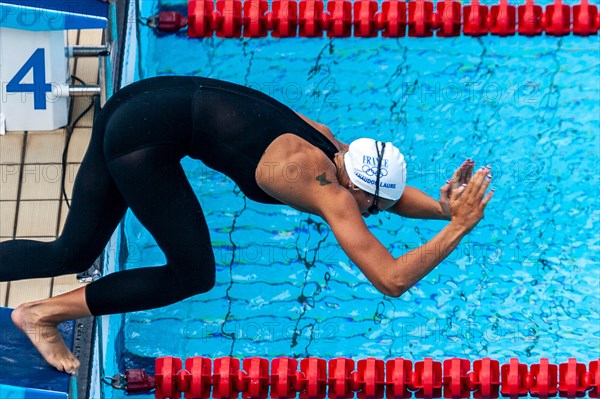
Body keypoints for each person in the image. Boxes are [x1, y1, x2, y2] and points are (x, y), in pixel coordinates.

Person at [0, 76, 493, 373]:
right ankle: (43, 314)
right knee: (193, 274)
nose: (372, 214)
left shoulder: (334, 148)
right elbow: (391, 279)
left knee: (72, 252)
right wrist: (458, 229)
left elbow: (391, 195)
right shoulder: (328, 190)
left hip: (136, 103)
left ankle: (41, 311)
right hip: (142, 139)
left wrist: (442, 209)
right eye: (373, 207)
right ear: (357, 190)